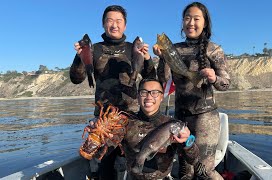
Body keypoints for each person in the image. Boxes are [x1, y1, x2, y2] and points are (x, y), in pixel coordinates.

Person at [70, 5, 156, 179]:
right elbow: (76, 78)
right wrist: (79, 59)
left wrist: (147, 59)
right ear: (103, 24)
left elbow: (150, 79)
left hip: (131, 115)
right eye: (110, 21)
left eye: (119, 21)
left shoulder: (134, 48)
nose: (114, 25)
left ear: (125, 25)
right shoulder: (94, 49)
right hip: (104, 119)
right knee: (105, 165)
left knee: (135, 161)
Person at [153, 2, 230, 179]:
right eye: (187, 18)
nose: (191, 23)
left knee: (204, 171)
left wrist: (214, 78)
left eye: (196, 18)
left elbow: (225, 84)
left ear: (205, 23)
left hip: (206, 118)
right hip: (180, 117)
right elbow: (163, 80)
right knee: (185, 172)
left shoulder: (214, 49)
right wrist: (163, 59)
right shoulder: (175, 49)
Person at [95, 78, 200, 180]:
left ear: (161, 97)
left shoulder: (172, 124)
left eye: (155, 93)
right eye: (144, 92)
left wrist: (188, 142)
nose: (149, 97)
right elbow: (102, 153)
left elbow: (193, 160)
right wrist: (98, 137)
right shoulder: (125, 122)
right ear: (138, 96)